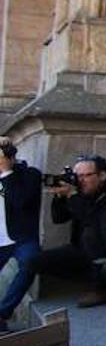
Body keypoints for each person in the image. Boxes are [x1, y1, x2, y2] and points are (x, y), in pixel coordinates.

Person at [18, 155, 106, 309]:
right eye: (77, 176)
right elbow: (58, 218)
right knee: (33, 261)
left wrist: (73, 195)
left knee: (92, 234)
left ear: (102, 175)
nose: (80, 180)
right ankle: (101, 282)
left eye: (85, 176)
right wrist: (59, 196)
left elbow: (96, 221)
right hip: (85, 251)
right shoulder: (83, 191)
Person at [0, 137, 43, 331]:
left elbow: (21, 202)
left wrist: (6, 172)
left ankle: (2, 313)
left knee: (31, 261)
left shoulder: (30, 175)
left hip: (21, 238)